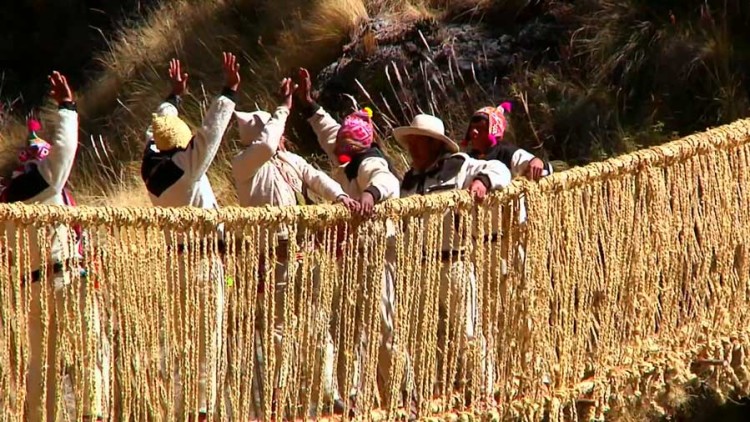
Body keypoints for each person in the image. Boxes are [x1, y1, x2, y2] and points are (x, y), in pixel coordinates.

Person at [231, 78, 359, 417]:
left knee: (318, 324)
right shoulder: (243, 165)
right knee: (278, 331)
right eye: (275, 130)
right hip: (273, 261)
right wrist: (284, 108)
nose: (280, 136)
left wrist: (342, 197)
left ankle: (329, 392)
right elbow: (268, 143)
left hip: (304, 253)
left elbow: (315, 176)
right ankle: (279, 398)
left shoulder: (288, 160)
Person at [295, 68, 410, 414]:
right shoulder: (347, 154)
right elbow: (330, 132)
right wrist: (309, 105)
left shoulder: (369, 160)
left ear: (359, 146)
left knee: (383, 323)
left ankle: (396, 395)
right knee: (353, 325)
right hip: (352, 255)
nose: (338, 151)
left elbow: (385, 181)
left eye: (344, 148)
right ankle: (358, 398)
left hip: (377, 252)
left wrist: (370, 197)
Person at [3, 72, 109, 421]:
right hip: (62, 278)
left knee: (41, 362)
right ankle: (93, 414)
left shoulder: (8, 197)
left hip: (31, 286)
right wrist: (67, 108)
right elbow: (64, 153)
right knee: (90, 348)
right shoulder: (40, 186)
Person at [140, 53, 239, 421]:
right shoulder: (187, 170)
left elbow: (154, 131)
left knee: (185, 336)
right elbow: (210, 135)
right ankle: (204, 409)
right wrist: (229, 91)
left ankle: (184, 407)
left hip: (177, 264)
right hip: (205, 265)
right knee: (209, 336)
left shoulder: (150, 166)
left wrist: (174, 96)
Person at [394, 113, 513, 405]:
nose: (412, 147)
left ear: (433, 144)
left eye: (417, 141)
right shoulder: (408, 181)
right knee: (421, 335)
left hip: (454, 262)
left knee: (468, 331)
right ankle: (430, 394)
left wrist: (482, 182)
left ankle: (484, 394)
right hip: (420, 267)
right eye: (410, 141)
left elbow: (500, 169)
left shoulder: (459, 167)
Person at [462, 102, 552, 180]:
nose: (474, 132)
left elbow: (529, 162)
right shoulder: (467, 158)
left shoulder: (505, 152)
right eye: (472, 128)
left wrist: (536, 162)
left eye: (480, 128)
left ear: (493, 131)